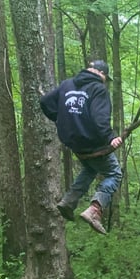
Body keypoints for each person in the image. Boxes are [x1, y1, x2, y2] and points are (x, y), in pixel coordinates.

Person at [40, 60, 123, 235]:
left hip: (75, 144)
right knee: (114, 174)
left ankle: (69, 201)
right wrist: (111, 137)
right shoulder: (98, 89)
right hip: (94, 144)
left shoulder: (67, 85)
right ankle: (95, 210)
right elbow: (100, 118)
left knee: (90, 169)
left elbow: (45, 102)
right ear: (101, 73)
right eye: (105, 78)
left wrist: (61, 118)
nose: (105, 82)